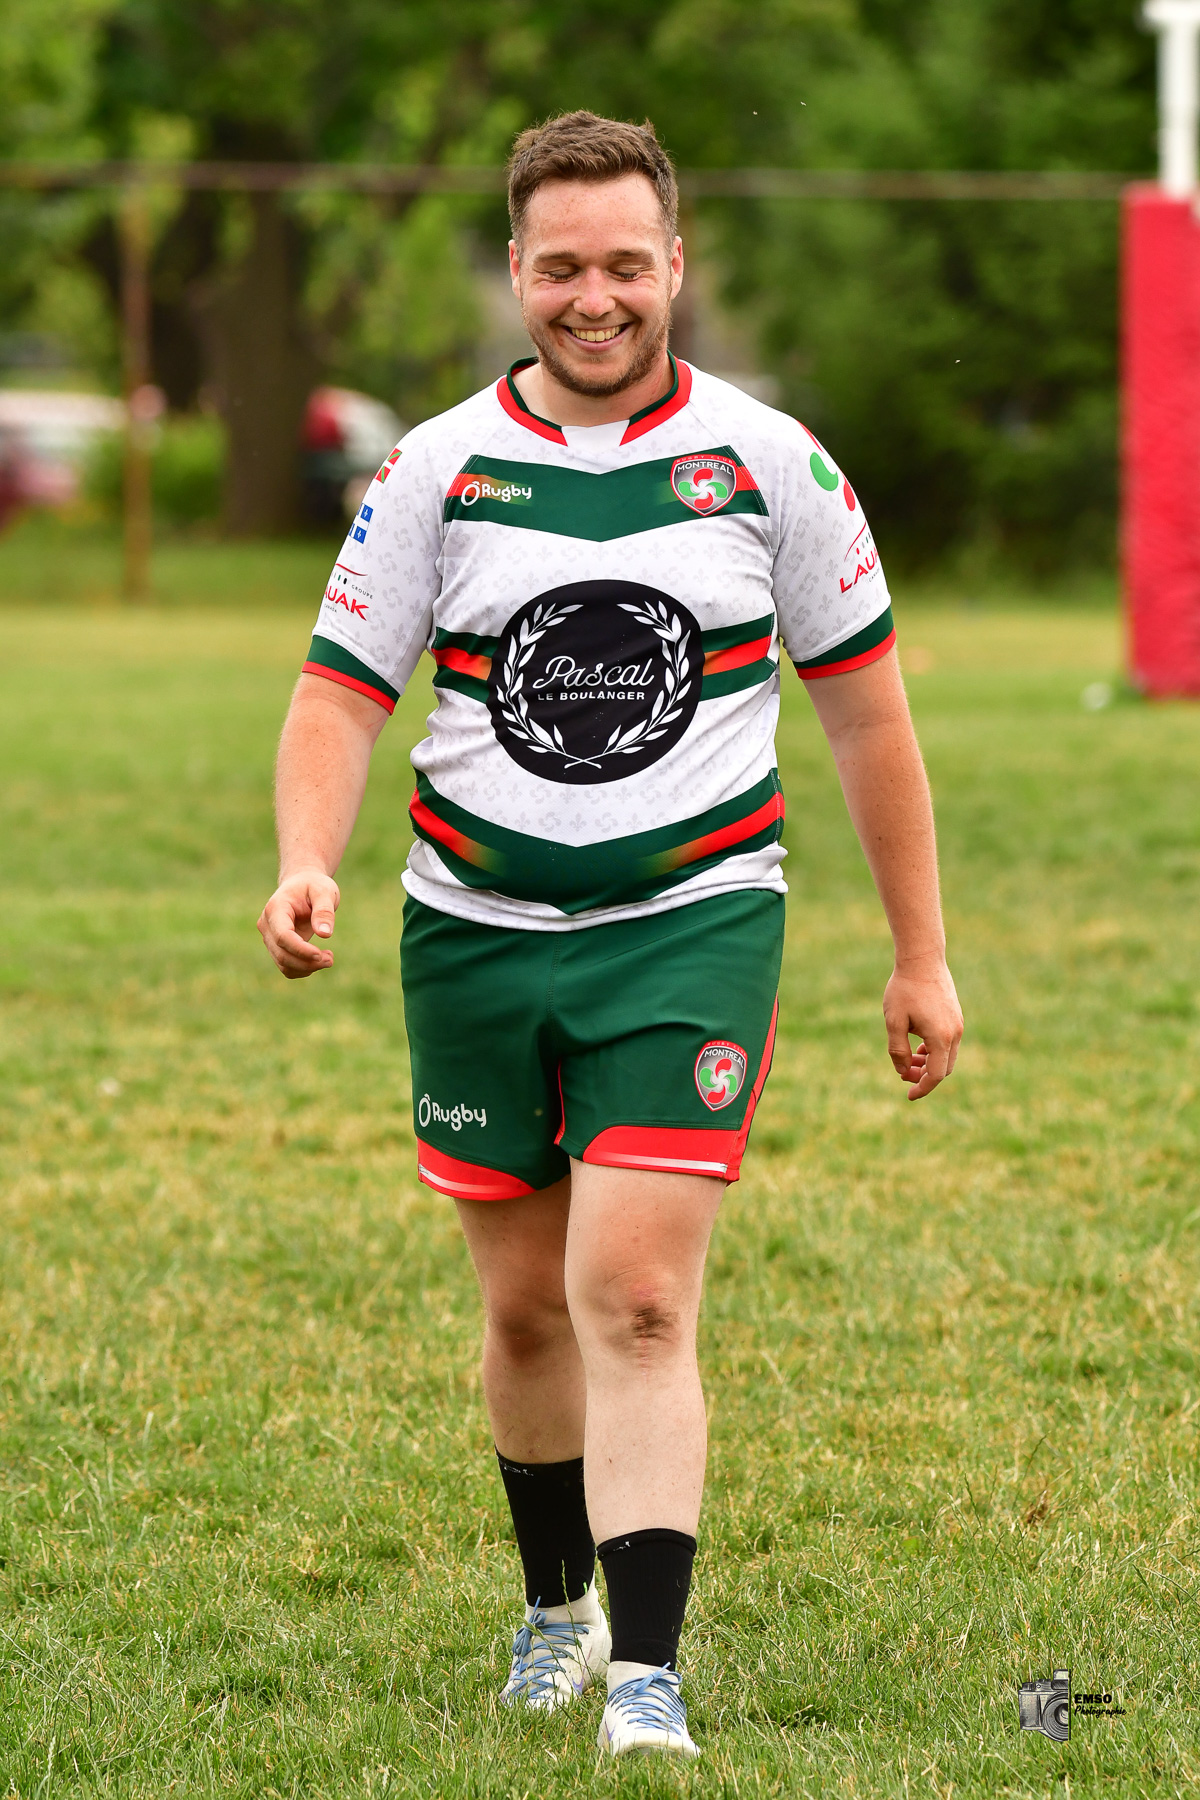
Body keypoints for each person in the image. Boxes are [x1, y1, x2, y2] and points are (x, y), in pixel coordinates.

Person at [257, 110, 963, 1759]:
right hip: (474, 928)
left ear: (676, 266)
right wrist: (307, 857)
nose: (595, 298)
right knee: (521, 1310)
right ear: (517, 269)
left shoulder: (774, 464)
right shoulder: (434, 468)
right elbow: (337, 695)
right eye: (560, 266)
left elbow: (868, 724)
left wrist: (919, 954)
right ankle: (554, 1615)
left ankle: (647, 1677)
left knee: (633, 1293)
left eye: (624, 265)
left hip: (691, 920)